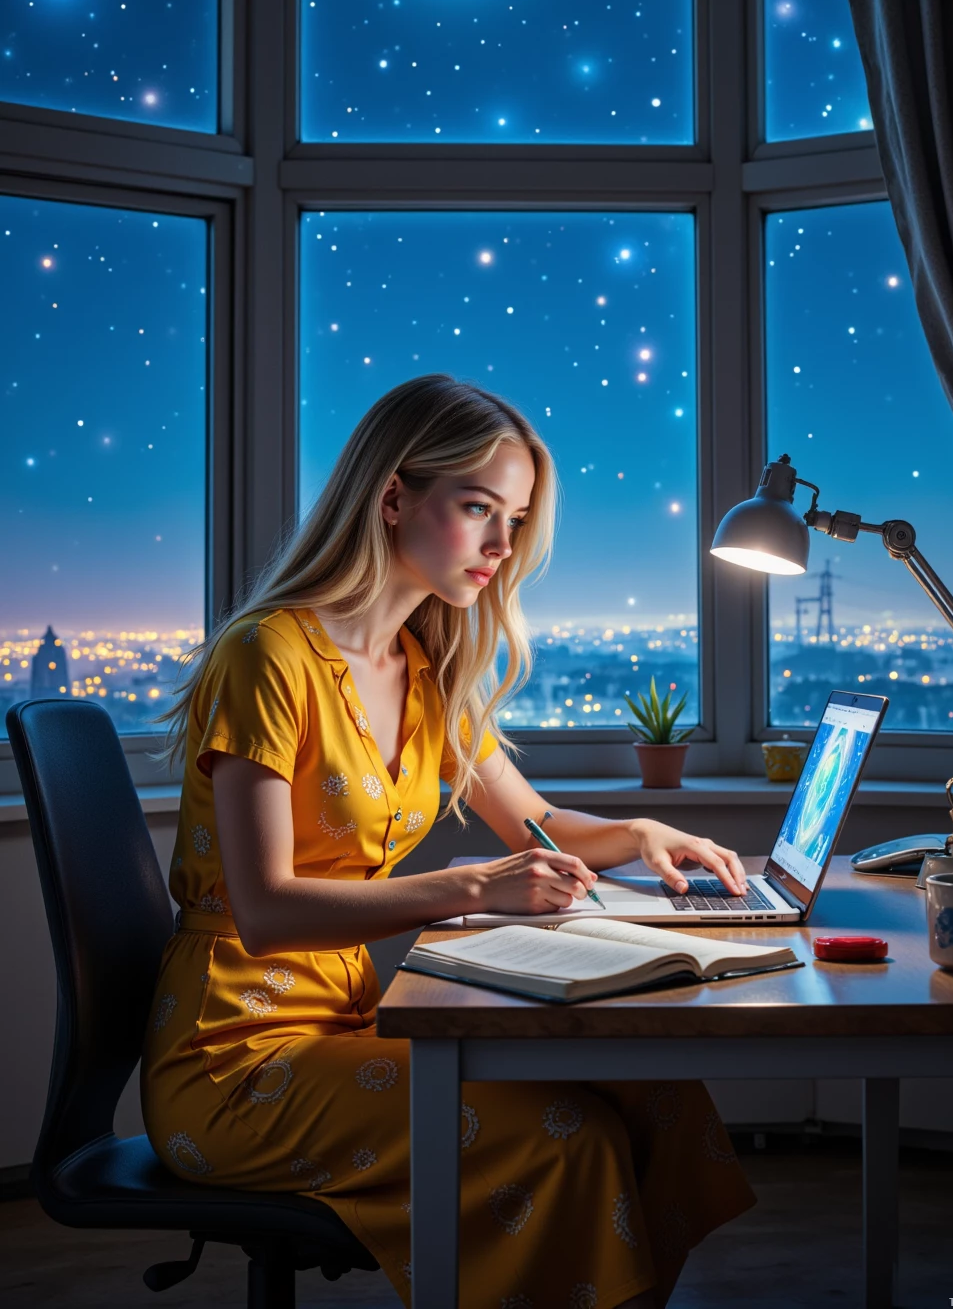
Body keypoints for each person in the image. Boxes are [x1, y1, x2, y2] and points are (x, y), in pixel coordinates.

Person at [142, 373, 756, 1309]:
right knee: (564, 1133)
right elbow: (264, 911)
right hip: (236, 1060)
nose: (503, 548)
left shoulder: (424, 670)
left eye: (513, 519)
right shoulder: (266, 656)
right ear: (393, 497)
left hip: (353, 1022)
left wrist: (638, 831)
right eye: (479, 510)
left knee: (654, 1090)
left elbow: (537, 826)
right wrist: (474, 887)